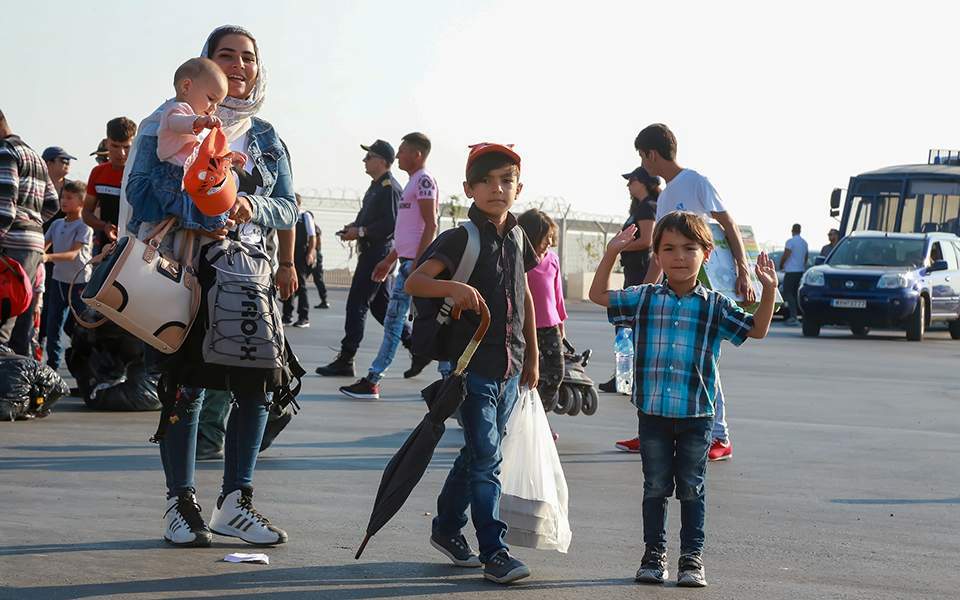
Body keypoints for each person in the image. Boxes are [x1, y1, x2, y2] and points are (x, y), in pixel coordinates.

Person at [125, 24, 298, 548]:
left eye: (248, 57)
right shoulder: (167, 121)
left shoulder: (266, 137)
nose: (239, 66)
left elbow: (287, 208)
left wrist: (247, 204)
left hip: (247, 277)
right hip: (185, 271)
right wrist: (198, 209)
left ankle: (236, 504)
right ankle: (181, 505)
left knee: (256, 386)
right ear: (204, 65)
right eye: (227, 55)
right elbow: (139, 190)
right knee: (186, 385)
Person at [589, 211, 777, 588]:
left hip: (697, 416)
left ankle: (691, 559)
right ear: (657, 255)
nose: (679, 256)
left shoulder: (715, 306)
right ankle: (653, 556)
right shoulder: (644, 299)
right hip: (653, 415)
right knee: (655, 487)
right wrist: (611, 253)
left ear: (706, 254)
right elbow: (598, 295)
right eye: (669, 248)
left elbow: (757, 329)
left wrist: (768, 289)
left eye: (689, 248)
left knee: (692, 488)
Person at [405, 143, 539, 585]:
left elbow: (524, 295)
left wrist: (534, 355)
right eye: (486, 181)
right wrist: (452, 288)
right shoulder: (460, 238)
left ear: (519, 188)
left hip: (510, 367)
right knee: (487, 459)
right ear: (468, 189)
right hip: (470, 369)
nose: (497, 189)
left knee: (479, 453)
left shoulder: (518, 237)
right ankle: (494, 551)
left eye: (506, 180)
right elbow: (415, 282)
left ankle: (446, 527)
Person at [615, 123, 754, 460]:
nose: (642, 164)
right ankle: (650, 431)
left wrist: (743, 270)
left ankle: (719, 435)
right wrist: (645, 292)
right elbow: (659, 254)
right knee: (660, 358)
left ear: (651, 154)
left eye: (642, 156)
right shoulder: (665, 196)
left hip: (703, 289)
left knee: (702, 361)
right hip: (671, 291)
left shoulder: (696, 182)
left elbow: (729, 224)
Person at [339, 132, 440, 399]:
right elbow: (407, 233)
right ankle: (374, 379)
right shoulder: (411, 183)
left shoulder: (423, 181)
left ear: (417, 154)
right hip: (406, 263)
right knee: (395, 323)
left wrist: (418, 265)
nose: (399, 156)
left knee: (421, 325)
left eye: (403, 151)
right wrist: (389, 260)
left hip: (415, 267)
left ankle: (375, 380)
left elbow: (431, 224)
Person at [315, 139, 403, 377]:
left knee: (357, 303)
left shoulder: (389, 188)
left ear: (382, 161)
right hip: (372, 251)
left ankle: (346, 358)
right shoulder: (376, 186)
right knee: (381, 308)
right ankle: (415, 344)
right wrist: (353, 228)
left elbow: (391, 224)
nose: (365, 161)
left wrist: (361, 232)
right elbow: (369, 218)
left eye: (369, 157)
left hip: (378, 253)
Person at [0, 108, 60, 356]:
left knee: (4, 318)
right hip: (33, 244)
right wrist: (32, 223)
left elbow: (5, 206)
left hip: (11, 243)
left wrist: (17, 224)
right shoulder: (34, 155)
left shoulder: (5, 152)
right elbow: (52, 204)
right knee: (23, 318)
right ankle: (20, 376)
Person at [599, 166, 659, 394]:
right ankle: (625, 375)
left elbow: (647, 240)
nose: (628, 185)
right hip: (634, 271)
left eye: (632, 180)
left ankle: (628, 376)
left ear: (643, 182)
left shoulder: (647, 207)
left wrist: (618, 247)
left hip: (641, 272)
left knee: (628, 323)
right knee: (627, 326)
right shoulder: (640, 207)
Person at [518, 208, 567, 415]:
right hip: (524, 328)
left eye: (551, 237)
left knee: (556, 374)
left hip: (550, 326)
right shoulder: (520, 259)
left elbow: (557, 294)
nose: (550, 242)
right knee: (525, 375)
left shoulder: (552, 259)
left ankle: (539, 417)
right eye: (546, 237)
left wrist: (561, 324)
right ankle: (519, 418)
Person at [42, 180, 93, 369]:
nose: (64, 201)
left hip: (79, 283)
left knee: (81, 326)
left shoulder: (84, 226)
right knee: (53, 325)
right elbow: (42, 246)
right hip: (58, 281)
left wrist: (47, 257)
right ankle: (52, 366)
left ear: (81, 202)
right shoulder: (56, 224)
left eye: (69, 198)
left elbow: (73, 254)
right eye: (63, 197)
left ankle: (86, 366)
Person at [83, 117, 136, 249]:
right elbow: (86, 213)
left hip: (137, 245)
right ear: (107, 143)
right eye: (115, 146)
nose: (121, 153)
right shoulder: (98, 172)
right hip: (106, 248)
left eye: (126, 147)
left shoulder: (140, 174)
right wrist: (104, 226)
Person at [282, 193, 315, 327]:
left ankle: (304, 317)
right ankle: (287, 316)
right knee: (287, 282)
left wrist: (310, 253)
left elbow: (312, 236)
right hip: (290, 253)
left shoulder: (305, 216)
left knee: (301, 285)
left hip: (302, 254)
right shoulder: (288, 216)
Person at [779, 223, 808, 325]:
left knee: (787, 293)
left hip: (791, 271)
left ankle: (793, 317)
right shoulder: (804, 242)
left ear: (792, 230)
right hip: (800, 271)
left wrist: (781, 264)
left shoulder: (790, 241)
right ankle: (801, 316)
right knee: (795, 294)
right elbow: (806, 257)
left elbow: (786, 254)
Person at [311, 219, 329, 309]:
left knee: (318, 279)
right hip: (314, 254)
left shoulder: (314, 229)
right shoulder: (314, 228)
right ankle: (290, 297)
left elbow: (316, 242)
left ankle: (324, 300)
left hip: (315, 255)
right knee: (302, 278)